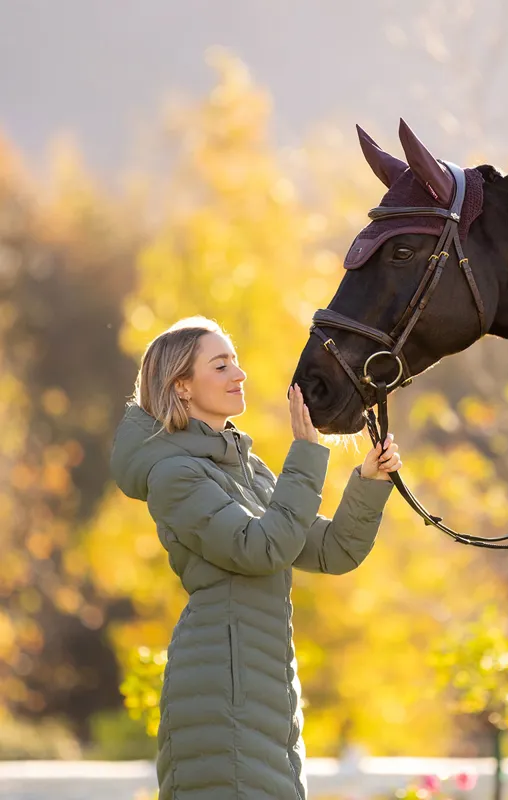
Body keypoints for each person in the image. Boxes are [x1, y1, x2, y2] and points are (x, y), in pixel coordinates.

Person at [110, 316, 399, 800]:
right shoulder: (174, 475)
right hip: (221, 690)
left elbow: (333, 550)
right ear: (182, 387)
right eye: (221, 365)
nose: (239, 374)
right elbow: (261, 547)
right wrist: (307, 452)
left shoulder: (244, 465)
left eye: (236, 362)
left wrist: (368, 482)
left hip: (267, 685)